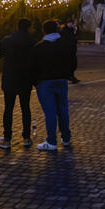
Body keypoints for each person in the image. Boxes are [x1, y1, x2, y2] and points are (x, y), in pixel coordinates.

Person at [32, 20, 75, 150]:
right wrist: (67, 75)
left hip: (45, 82)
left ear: (44, 31)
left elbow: (32, 67)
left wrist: (36, 81)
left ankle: (51, 141)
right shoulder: (65, 44)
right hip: (61, 80)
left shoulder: (39, 47)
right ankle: (66, 138)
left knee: (50, 112)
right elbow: (72, 61)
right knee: (62, 110)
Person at [0, 19, 36, 149]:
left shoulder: (7, 40)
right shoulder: (32, 41)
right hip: (25, 78)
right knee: (25, 108)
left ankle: (7, 139)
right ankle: (26, 137)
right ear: (29, 28)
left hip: (10, 77)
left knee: (8, 108)